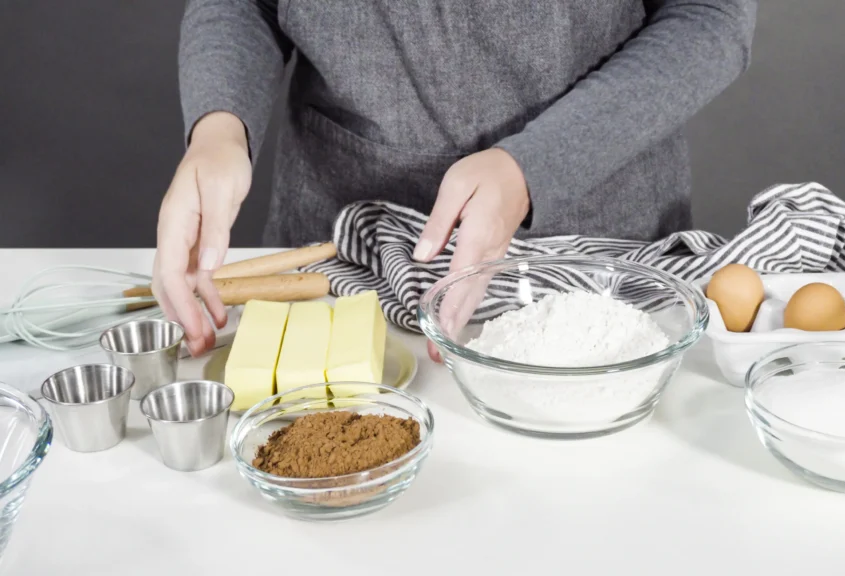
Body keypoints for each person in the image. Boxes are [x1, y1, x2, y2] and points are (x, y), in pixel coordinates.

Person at [154, 0, 757, 358]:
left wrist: (536, 167)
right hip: (341, 271)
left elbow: (710, 14)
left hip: (597, 271)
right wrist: (219, 129)